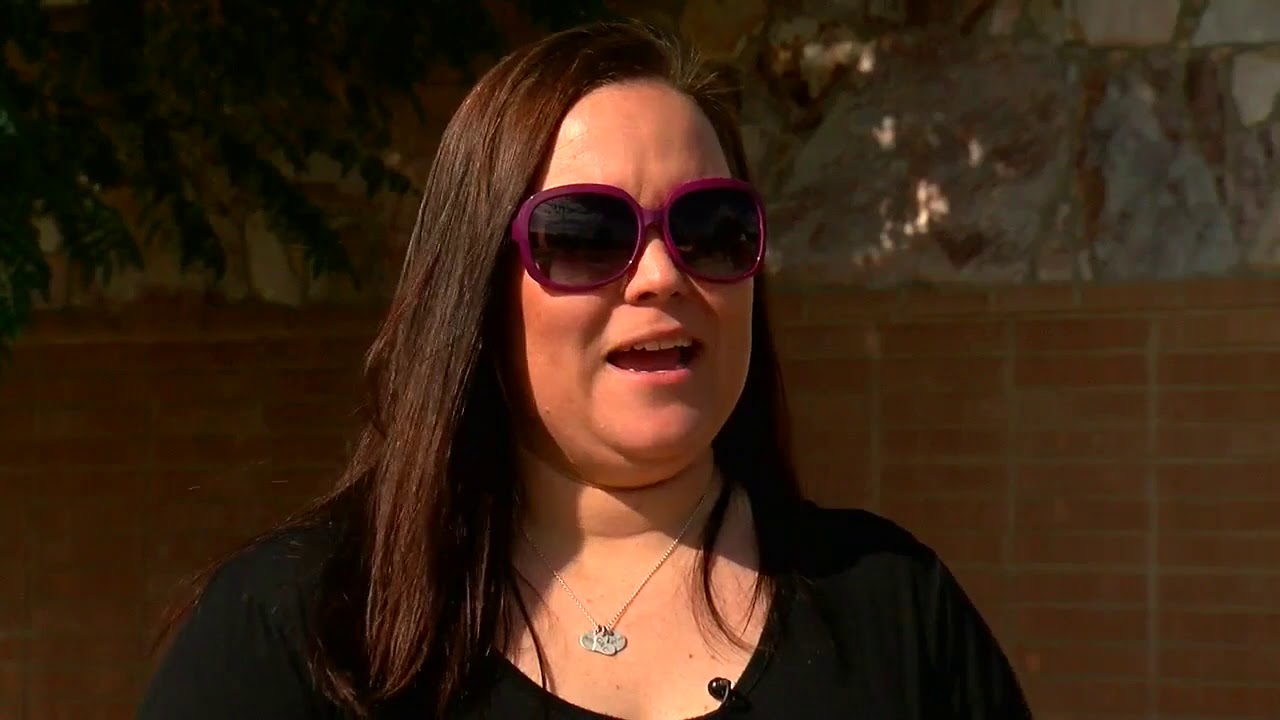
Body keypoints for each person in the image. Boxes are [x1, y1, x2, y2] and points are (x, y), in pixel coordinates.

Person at [136, 20, 1032, 720]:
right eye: (584, 235)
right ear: (476, 292)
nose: (661, 275)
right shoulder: (301, 627)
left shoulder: (896, 613)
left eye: (711, 227)